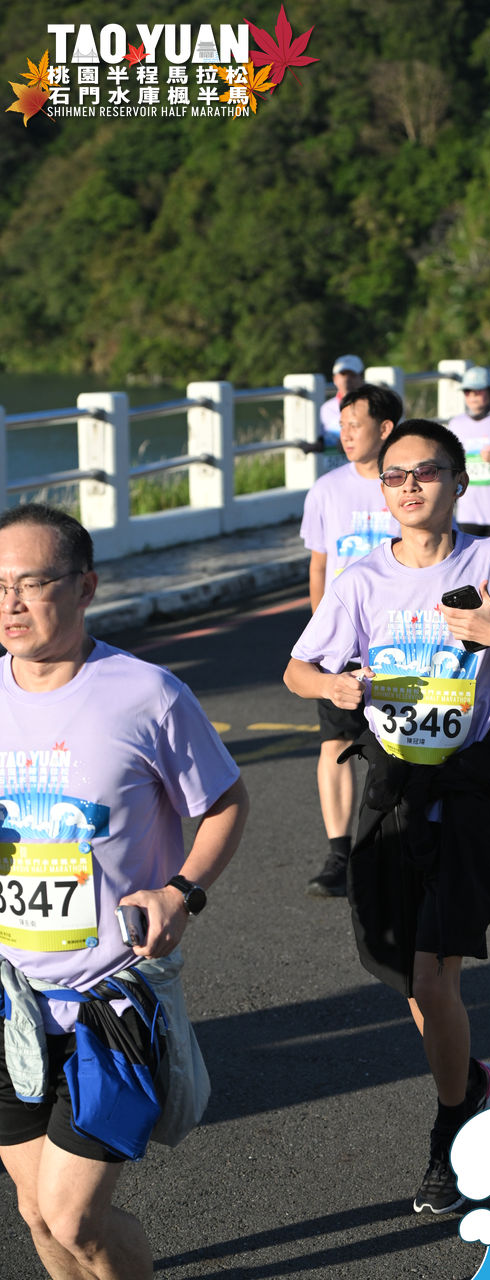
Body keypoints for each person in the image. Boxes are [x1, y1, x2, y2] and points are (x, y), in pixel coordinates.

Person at [284, 420, 490, 1216]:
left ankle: (450, 1133)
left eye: (426, 472)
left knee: (431, 975)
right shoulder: (360, 580)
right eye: (395, 476)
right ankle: (470, 1082)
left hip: (466, 787)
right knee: (407, 978)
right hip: (389, 789)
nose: (410, 486)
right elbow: (297, 670)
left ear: (458, 482)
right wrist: (332, 687)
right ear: (381, 491)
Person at [0, 502, 249, 1279]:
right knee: (36, 1211)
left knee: (75, 1216)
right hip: (11, 999)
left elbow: (225, 802)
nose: (11, 603)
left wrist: (180, 891)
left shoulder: (145, 694)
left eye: (32, 583)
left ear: (85, 587)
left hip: (113, 1000)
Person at [299, 384, 403, 896]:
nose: (344, 435)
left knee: (400, 747)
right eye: (340, 426)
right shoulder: (326, 490)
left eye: (354, 425)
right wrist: (320, 637)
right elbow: (319, 566)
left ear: (384, 429)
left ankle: (402, 843)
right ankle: (339, 855)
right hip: (342, 645)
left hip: (403, 641)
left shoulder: (407, 484)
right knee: (336, 743)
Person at [447, 366, 490, 538]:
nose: (472, 396)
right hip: (467, 512)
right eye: (467, 392)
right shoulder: (456, 424)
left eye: (478, 391)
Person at [319, 354, 365, 465]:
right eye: (343, 374)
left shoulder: (371, 406)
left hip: (362, 467)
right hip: (333, 468)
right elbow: (324, 440)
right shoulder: (326, 408)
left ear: (361, 378)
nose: (347, 379)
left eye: (352, 375)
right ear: (335, 378)